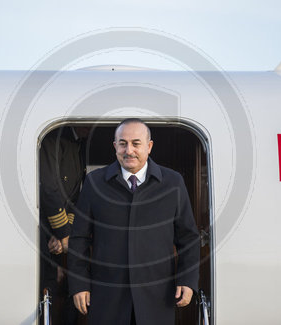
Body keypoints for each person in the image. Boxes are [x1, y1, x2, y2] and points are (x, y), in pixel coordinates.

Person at [68, 118, 200, 325]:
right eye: (123, 143)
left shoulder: (173, 182)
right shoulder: (95, 183)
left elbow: (188, 238)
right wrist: (79, 284)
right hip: (106, 297)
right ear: (115, 147)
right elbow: (79, 239)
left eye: (136, 143)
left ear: (149, 146)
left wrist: (187, 280)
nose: (129, 150)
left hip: (157, 297)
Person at [39, 126, 88, 325]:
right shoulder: (54, 139)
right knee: (47, 290)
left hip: (57, 236)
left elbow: (75, 196)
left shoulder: (78, 143)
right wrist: (64, 234)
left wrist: (64, 235)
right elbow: (49, 189)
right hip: (43, 233)